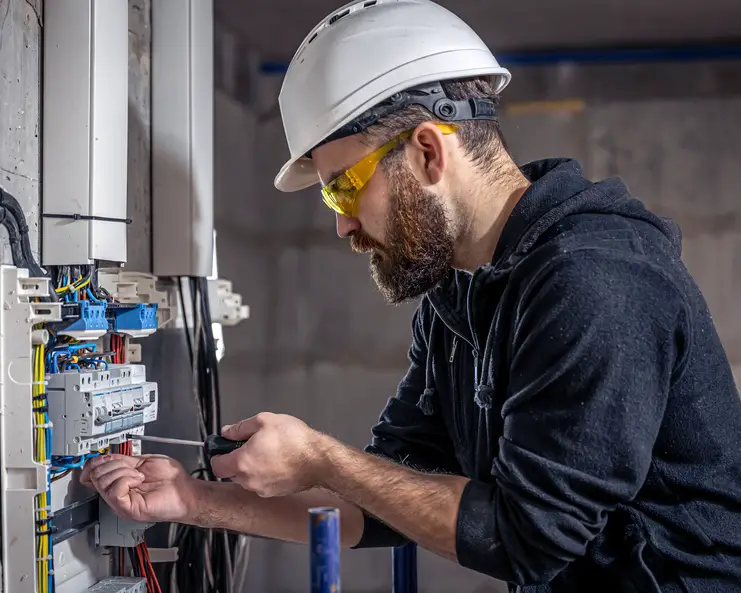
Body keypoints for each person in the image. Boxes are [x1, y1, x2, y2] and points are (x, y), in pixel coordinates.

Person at [82, 0, 741, 590]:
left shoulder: (594, 281)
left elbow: (527, 537)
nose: (341, 224)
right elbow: (387, 497)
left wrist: (320, 457)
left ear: (428, 151)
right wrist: (193, 500)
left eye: (342, 187)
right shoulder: (457, 299)